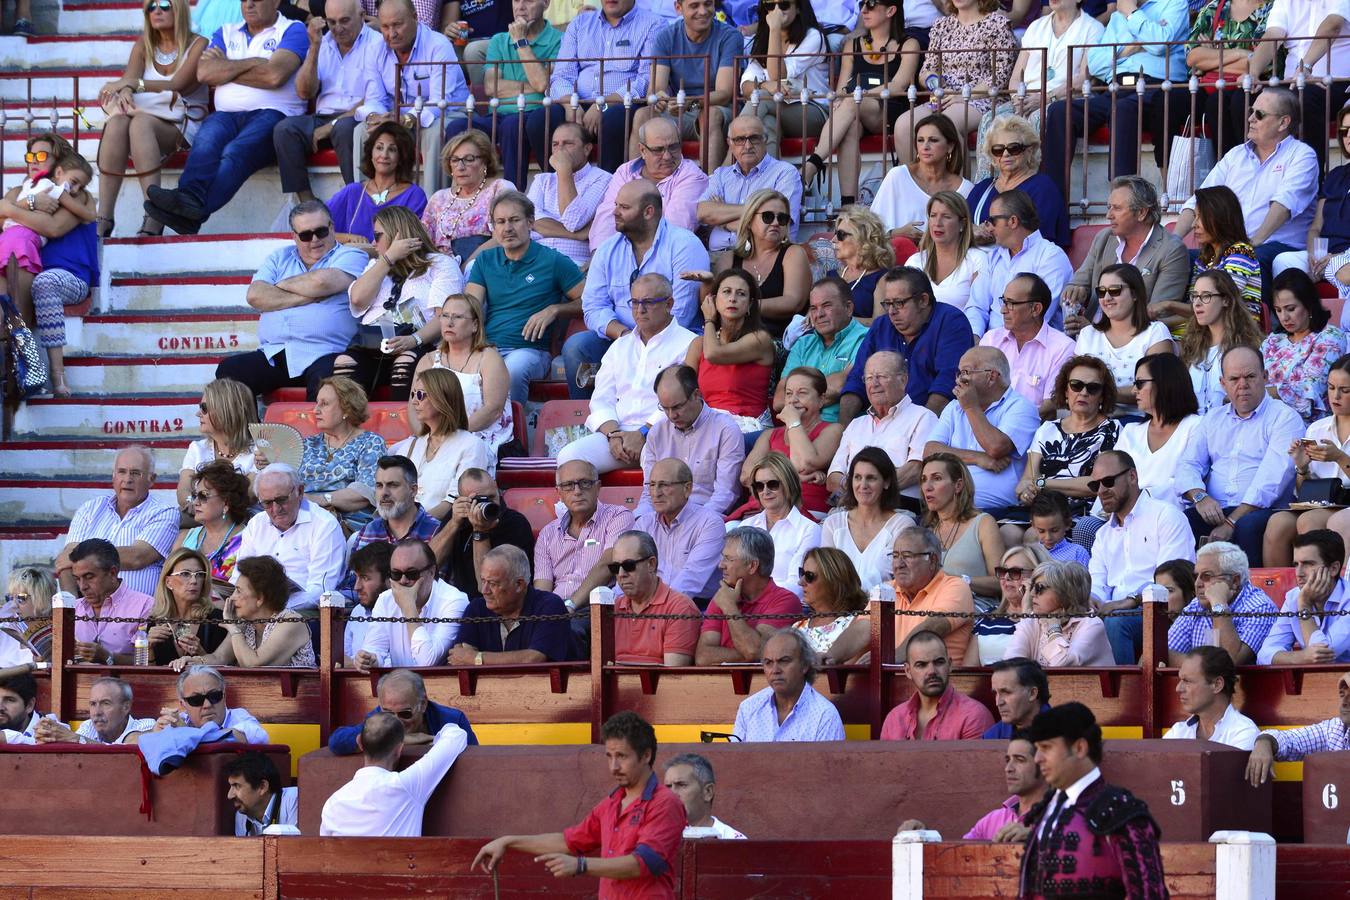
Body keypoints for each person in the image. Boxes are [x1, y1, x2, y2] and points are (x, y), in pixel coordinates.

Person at [473, 712, 685, 894]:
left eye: (621, 756)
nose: (613, 767)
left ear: (646, 755)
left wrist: (581, 865)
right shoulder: (611, 804)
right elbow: (569, 842)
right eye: (609, 756)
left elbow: (644, 863)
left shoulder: (665, 803)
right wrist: (508, 841)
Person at [142, 0, 305, 234]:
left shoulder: (293, 29)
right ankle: (188, 202)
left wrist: (225, 69)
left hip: (274, 114)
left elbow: (274, 75)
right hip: (226, 114)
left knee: (234, 152)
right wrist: (252, 62)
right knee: (207, 140)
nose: (248, 4)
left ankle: (191, 212)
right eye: (243, 0)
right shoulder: (226, 31)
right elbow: (204, 72)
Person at [215, 200, 370, 400]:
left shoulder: (351, 254)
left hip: (326, 352)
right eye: (305, 235)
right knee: (229, 371)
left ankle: (319, 433)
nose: (314, 239)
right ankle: (248, 432)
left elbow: (322, 282)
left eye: (321, 231)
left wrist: (277, 286)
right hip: (276, 354)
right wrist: (309, 297)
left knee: (329, 379)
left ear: (332, 228)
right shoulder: (279, 257)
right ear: (294, 237)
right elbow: (255, 295)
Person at [1175, 87, 1319, 302]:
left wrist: (1252, 243)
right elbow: (1200, 199)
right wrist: (1173, 242)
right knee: (1178, 259)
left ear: (1283, 122)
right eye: (1251, 111)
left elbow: (1284, 204)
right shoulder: (1236, 155)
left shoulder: (1302, 155)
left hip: (1275, 245)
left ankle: (1251, 328)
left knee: (1251, 259)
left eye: (1259, 114)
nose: (1251, 118)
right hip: (1232, 247)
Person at [572, 182, 709, 397]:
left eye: (624, 207)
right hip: (619, 337)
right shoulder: (607, 249)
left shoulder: (684, 245)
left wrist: (642, 344)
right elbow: (592, 306)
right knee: (577, 347)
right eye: (616, 205)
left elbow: (681, 312)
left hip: (671, 339)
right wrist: (626, 336)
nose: (615, 212)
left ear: (648, 212)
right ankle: (594, 419)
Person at [1019, 703, 1168, 898]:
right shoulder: (1046, 808)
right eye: (1037, 748)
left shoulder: (1119, 810)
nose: (1037, 758)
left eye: (1046, 747)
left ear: (1080, 748)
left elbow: (1149, 895)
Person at [558, 275, 697, 474]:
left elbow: (683, 402)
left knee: (667, 467)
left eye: (648, 302)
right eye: (635, 302)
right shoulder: (619, 346)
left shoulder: (688, 343)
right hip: (618, 433)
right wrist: (614, 435)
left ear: (669, 304)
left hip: (668, 434)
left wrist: (643, 433)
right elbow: (601, 400)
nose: (640, 310)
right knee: (569, 458)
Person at [1178, 346, 1304, 563]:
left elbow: (1272, 481)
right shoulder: (1212, 419)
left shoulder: (1284, 417)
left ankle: (1253, 595)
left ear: (1265, 377)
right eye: (1234, 379)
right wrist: (1200, 497)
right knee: (1181, 520)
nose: (1242, 385)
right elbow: (1187, 464)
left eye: (1250, 376)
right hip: (1215, 509)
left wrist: (1231, 522)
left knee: (1247, 526)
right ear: (1222, 383)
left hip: (1263, 511)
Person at [1039, 0, 1188, 183]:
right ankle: (1053, 201)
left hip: (1156, 88)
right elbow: (1095, 64)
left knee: (1123, 109)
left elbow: (1158, 44)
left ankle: (1122, 199)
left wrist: (1132, 14)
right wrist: (1130, 48)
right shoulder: (1118, 16)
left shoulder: (1173, 4)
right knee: (1060, 111)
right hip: (1117, 88)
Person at [94, 0, 208, 238]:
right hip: (148, 117)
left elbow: (179, 84)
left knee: (140, 122)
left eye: (165, 4)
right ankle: (104, 217)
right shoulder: (143, 45)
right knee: (117, 122)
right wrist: (125, 91)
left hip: (183, 120)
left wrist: (133, 84)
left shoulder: (199, 44)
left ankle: (154, 214)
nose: (157, 10)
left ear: (179, 9)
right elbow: (129, 81)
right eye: (151, 6)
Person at [465, 190, 585, 404]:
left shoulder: (553, 261)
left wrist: (555, 309)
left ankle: (511, 433)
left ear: (530, 222)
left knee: (512, 371)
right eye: (500, 222)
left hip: (530, 351)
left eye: (514, 220)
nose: (507, 228)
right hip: (489, 347)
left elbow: (590, 302)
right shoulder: (485, 260)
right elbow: (469, 308)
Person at [799, 0, 919, 203]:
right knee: (850, 126)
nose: (863, 9)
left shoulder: (909, 44)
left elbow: (898, 86)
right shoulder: (852, 45)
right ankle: (848, 204)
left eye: (871, 4)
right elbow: (840, 91)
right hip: (857, 111)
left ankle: (813, 163)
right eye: (862, 3)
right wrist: (851, 96)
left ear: (890, 10)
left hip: (891, 111)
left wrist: (858, 94)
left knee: (851, 101)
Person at [336, 206, 463, 398]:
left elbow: (445, 316)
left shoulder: (440, 264)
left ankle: (402, 426)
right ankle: (350, 427)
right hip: (372, 344)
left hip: (419, 343)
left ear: (398, 235)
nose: (373, 243)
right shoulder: (376, 265)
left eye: (378, 236)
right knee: (344, 362)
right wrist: (388, 259)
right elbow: (358, 299)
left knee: (405, 362)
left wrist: (414, 340)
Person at [972, 0, 1103, 180]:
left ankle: (1027, 187)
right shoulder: (1036, 26)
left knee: (1036, 119)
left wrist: (1046, 97)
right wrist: (1017, 98)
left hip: (1063, 98)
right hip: (1026, 98)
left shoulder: (1092, 28)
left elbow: (1084, 79)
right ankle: (987, 186)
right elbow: (1016, 77)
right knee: (990, 119)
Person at [1087, 450, 1197, 664]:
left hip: (1161, 611)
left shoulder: (1166, 516)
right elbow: (1097, 581)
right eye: (1095, 485)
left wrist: (1129, 601)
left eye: (1108, 481)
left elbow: (1173, 583)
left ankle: (1125, 694)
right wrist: (1092, 600)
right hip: (1116, 611)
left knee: (1116, 622)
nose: (1101, 491)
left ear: (1132, 477)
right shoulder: (1103, 534)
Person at [527, 0, 662, 173]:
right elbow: (561, 75)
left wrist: (602, 105)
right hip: (578, 103)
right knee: (539, 120)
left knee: (615, 118)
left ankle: (610, 188)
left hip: (621, 103)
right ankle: (557, 184)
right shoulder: (580, 23)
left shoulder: (653, 24)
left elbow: (645, 80)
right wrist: (570, 104)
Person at [272, 0, 382, 202]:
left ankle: (359, 200)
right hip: (323, 116)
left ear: (362, 15)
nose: (338, 29)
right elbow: (304, 92)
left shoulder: (377, 43)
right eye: (331, 22)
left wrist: (331, 126)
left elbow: (374, 99)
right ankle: (307, 202)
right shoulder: (323, 42)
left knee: (344, 128)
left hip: (359, 117)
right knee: (284, 129)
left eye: (344, 21)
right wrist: (314, 47)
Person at [358, 0, 467, 197]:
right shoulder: (375, 49)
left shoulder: (438, 45)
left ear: (415, 18)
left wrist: (406, 119)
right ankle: (366, 201)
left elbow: (439, 102)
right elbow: (374, 98)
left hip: (449, 112)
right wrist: (376, 117)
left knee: (434, 132)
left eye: (398, 24)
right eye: (385, 26)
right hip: (399, 115)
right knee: (362, 130)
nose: (391, 33)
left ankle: (432, 205)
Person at [889, 0, 1016, 168]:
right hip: (944, 96)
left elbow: (1000, 77)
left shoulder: (997, 24)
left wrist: (962, 95)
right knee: (904, 124)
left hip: (980, 97)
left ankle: (957, 191)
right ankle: (918, 186)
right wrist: (936, 85)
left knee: (945, 124)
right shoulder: (941, 25)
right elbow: (926, 71)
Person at [447, 0, 560, 189]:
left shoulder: (559, 40)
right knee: (457, 126)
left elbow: (542, 83)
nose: (520, 7)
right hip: (498, 116)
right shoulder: (499, 40)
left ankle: (513, 193)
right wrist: (535, 83)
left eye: (529, 1)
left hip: (535, 116)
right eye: (516, 0)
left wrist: (520, 42)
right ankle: (460, 194)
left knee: (512, 124)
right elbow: (491, 86)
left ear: (546, 3)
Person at [839, 266, 975, 422]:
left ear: (923, 300)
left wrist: (917, 426)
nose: (891, 311)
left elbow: (947, 384)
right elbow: (857, 378)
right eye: (888, 304)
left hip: (930, 424)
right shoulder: (881, 326)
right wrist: (844, 428)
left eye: (898, 303)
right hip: (878, 422)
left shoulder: (951, 322)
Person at [1061, 176, 1192, 336]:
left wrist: (1097, 331)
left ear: (1142, 213)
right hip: (1086, 336)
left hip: (1137, 343)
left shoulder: (1171, 250)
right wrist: (1076, 292)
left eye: (1116, 208)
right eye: (1109, 207)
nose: (1109, 215)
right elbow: (1077, 283)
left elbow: (1156, 316)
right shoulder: (1104, 238)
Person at [1012, 356, 1119, 542]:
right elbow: (1027, 478)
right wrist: (1025, 491)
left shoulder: (1111, 430)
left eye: (1092, 388)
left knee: (1032, 536)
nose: (1083, 392)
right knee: (1007, 532)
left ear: (1102, 396)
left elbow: (1097, 484)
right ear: (1066, 391)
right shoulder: (1048, 429)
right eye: (1076, 385)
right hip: (1040, 511)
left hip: (1078, 515)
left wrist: (1042, 484)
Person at [924, 347, 1040, 513]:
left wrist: (971, 407)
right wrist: (978, 458)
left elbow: (996, 447)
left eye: (966, 372)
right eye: (959, 373)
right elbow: (929, 451)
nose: (959, 380)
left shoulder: (1021, 407)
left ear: (991, 376)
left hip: (998, 512)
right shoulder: (954, 407)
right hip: (948, 509)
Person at [55, 446, 179, 596]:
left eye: (135, 473)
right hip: (86, 611)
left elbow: (137, 557)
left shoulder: (164, 513)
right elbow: (65, 562)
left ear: (151, 479)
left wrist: (81, 559)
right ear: (113, 477)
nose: (127, 479)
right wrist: (73, 611)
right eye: (122, 472)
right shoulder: (90, 509)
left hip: (139, 614)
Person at [320, 711, 470, 836]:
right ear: (399, 749)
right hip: (402, 869)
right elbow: (456, 735)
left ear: (360, 743)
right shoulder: (406, 785)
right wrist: (430, 738)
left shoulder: (333, 802)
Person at [1245, 0, 1350, 175]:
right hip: (1292, 84)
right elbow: (1273, 35)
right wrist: (1253, 73)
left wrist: (1306, 67)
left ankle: (1310, 181)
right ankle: (1247, 180)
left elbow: (1333, 25)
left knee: (1305, 98)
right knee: (1244, 97)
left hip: (1334, 82)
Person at [1268, 357, 1350, 565]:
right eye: (1331, 388)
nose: (1336, 396)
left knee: (1309, 520)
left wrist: (1340, 458)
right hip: (1322, 501)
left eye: (1345, 390)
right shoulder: (1317, 428)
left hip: (1344, 503)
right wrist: (1302, 467)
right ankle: (1279, 593)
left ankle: (1321, 588)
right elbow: (1304, 490)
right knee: (1278, 523)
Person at [827, 352, 936, 508]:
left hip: (898, 507)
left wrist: (866, 493)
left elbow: (915, 470)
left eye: (882, 376)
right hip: (852, 508)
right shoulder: (856, 424)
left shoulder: (923, 417)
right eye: (869, 378)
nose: (874, 384)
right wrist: (861, 494)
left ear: (903, 380)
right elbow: (833, 478)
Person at [1171, 0, 1275, 162]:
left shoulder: (1272, 9)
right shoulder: (1214, 8)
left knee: (1228, 102)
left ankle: (1249, 166)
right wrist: (1240, 54)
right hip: (1213, 85)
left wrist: (1213, 57)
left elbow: (1264, 63)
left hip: (1257, 84)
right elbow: (1193, 58)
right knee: (1169, 100)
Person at [234, 463, 346, 611]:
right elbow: (239, 576)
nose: (276, 509)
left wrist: (271, 609)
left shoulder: (324, 525)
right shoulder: (256, 523)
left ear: (300, 491)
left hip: (301, 613)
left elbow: (320, 591)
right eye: (267, 503)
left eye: (281, 500)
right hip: (257, 608)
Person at [413, 293, 514, 456]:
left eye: (458, 317)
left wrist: (451, 434)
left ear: (475, 325)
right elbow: (414, 406)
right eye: (445, 316)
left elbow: (493, 409)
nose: (449, 322)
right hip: (435, 440)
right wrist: (427, 437)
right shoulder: (428, 361)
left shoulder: (489, 358)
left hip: (483, 442)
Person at [636, 365, 745, 516]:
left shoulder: (725, 430)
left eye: (677, 407)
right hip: (663, 518)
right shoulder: (657, 433)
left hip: (706, 517)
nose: (672, 415)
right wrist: (640, 518)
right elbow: (649, 492)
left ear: (696, 395)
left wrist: (692, 523)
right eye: (665, 408)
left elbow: (725, 494)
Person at [589, 116, 708, 253]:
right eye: (658, 150)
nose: (667, 156)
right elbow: (607, 217)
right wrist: (600, 255)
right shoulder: (625, 172)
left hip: (665, 257)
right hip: (621, 254)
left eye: (674, 147)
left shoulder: (692, 176)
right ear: (642, 150)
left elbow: (675, 229)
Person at [173, 555, 315, 669]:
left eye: (239, 591)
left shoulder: (290, 622)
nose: (232, 597)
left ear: (260, 598)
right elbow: (219, 658)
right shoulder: (245, 622)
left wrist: (234, 629)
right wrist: (192, 661)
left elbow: (254, 665)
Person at [704, 192, 811, 340]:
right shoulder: (729, 259)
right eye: (767, 217)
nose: (775, 223)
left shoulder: (793, 253)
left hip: (775, 339)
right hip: (733, 336)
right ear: (749, 220)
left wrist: (747, 306)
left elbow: (793, 302)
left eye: (782, 219)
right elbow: (712, 304)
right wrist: (707, 282)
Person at [534, 461, 635, 617]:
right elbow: (542, 585)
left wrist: (570, 606)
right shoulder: (548, 533)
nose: (577, 491)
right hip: (555, 611)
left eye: (585, 483)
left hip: (595, 609)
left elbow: (607, 565)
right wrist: (544, 615)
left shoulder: (618, 516)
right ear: (559, 492)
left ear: (598, 487)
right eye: (568, 485)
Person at [966, 190, 1073, 336]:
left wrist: (995, 345)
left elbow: (1036, 318)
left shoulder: (1051, 257)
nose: (988, 227)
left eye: (992, 221)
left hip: (1034, 347)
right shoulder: (993, 256)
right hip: (989, 346)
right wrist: (975, 337)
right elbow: (976, 306)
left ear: (1013, 221)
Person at [289, 375, 387, 529]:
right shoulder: (307, 444)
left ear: (346, 408)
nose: (315, 410)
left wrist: (317, 500)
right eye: (316, 403)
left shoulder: (370, 443)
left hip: (348, 524)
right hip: (301, 519)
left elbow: (365, 493)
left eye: (324, 404)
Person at [743, 368, 842, 518]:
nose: (793, 400)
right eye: (788, 393)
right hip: (761, 510)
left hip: (808, 512)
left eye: (802, 393)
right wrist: (797, 477)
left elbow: (805, 463)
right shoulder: (770, 434)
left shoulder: (833, 430)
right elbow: (746, 475)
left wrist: (793, 421)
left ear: (821, 400)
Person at [355, 539, 467, 670]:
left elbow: (427, 661)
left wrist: (408, 608)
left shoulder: (454, 601)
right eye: (396, 574)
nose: (403, 581)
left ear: (431, 572)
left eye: (411, 574)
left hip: (443, 687)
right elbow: (374, 648)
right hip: (399, 685)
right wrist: (369, 659)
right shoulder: (385, 600)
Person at [695, 526, 801, 664]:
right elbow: (703, 657)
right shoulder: (723, 596)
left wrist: (729, 608)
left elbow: (753, 651)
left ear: (752, 566)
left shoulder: (785, 601)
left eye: (728, 559)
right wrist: (748, 655)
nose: (721, 565)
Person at [1074, 263, 1174, 409]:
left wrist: (1100, 392)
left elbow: (1157, 387)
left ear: (1134, 294)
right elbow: (1076, 381)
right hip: (1092, 419)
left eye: (1115, 290)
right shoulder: (1088, 334)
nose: (1107, 298)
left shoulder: (1155, 332)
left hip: (1138, 421)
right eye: (1101, 292)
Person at [393, 369, 492, 517]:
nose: (414, 401)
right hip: (403, 528)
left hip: (439, 530)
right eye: (413, 394)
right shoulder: (408, 446)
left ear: (442, 398)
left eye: (420, 395)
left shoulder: (471, 444)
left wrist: (416, 526)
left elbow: (456, 502)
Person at [738, 0, 830, 160]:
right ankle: (772, 182)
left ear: (799, 8)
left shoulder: (813, 36)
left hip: (813, 110)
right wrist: (765, 84)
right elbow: (745, 86)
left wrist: (774, 29)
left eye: (784, 5)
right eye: (770, 6)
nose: (777, 11)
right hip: (778, 111)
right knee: (767, 125)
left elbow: (779, 76)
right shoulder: (762, 41)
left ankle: (728, 161)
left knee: (760, 97)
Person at [449, 545, 572, 663]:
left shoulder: (550, 606)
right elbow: (461, 656)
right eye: (483, 581)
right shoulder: (476, 608)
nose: (484, 590)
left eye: (493, 584)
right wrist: (470, 658)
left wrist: (477, 658)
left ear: (519, 585)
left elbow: (534, 659)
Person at [699, 114, 802, 253]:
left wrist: (722, 221)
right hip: (716, 256)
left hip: (761, 257)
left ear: (765, 139)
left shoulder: (784, 173)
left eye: (754, 138)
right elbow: (703, 212)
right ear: (730, 143)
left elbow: (776, 225)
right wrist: (756, 211)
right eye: (740, 139)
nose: (747, 146)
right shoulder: (720, 175)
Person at [965, 114, 1069, 249]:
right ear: (992, 156)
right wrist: (970, 230)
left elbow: (1037, 238)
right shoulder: (982, 188)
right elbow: (958, 225)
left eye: (1014, 148)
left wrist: (990, 234)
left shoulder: (1043, 188)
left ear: (1029, 151)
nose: (1005, 154)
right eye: (998, 150)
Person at [1168, 540, 1278, 666]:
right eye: (1196, 576)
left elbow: (1230, 660)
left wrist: (1218, 603)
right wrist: (1205, 665)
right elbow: (1161, 654)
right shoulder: (1196, 605)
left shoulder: (1260, 607)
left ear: (1235, 581)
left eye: (1207, 576)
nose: (1197, 583)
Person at [978, 274, 1074, 417]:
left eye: (1011, 303)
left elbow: (1049, 407)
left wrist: (1010, 425)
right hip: (983, 425)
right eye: (1003, 301)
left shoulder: (1063, 348)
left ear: (1035, 309)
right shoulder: (991, 339)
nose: (1003, 310)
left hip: (1029, 432)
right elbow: (974, 390)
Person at [634, 458, 728, 602]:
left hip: (694, 606)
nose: (656, 493)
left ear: (687, 489)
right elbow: (632, 573)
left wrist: (657, 609)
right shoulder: (644, 524)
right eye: (652, 485)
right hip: (649, 603)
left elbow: (690, 580)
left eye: (664, 485)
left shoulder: (710, 523)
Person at [1115, 353, 1203, 505]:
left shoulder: (1196, 426)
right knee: (1086, 526)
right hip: (1124, 517)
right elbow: (1113, 477)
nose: (1133, 391)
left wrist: (1138, 499)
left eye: (1140, 383)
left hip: (1171, 517)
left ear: (1165, 383)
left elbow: (1187, 480)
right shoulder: (1130, 431)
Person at [777, 278, 868, 423]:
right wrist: (828, 386)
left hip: (839, 430)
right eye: (813, 308)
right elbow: (779, 399)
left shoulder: (865, 339)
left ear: (848, 308)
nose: (818, 314)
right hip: (797, 430)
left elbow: (841, 385)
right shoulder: (803, 344)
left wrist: (796, 394)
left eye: (826, 306)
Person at [431, 468, 535, 597]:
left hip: (495, 605)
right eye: (479, 500)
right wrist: (454, 523)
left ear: (496, 487)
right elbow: (428, 565)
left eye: (491, 497)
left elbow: (486, 587)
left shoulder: (515, 523)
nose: (487, 504)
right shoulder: (458, 517)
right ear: (462, 500)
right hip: (458, 600)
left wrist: (480, 531)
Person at [871, 115, 971, 246]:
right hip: (897, 259)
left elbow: (969, 236)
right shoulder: (897, 176)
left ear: (950, 146)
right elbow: (869, 231)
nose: (925, 146)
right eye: (920, 140)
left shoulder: (966, 189)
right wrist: (898, 233)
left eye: (933, 140)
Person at [919, 452, 1005, 603]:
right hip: (930, 608)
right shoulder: (925, 531)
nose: (927, 487)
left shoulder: (983, 523)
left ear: (958, 485)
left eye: (937, 478)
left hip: (973, 611)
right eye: (924, 480)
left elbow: (1001, 582)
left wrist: (959, 581)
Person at [731, 628, 845, 742]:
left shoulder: (824, 715)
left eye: (784, 661)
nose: (775, 670)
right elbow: (733, 758)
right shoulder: (749, 708)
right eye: (768, 663)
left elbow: (828, 760)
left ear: (804, 665)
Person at [1263, 269, 1347, 423]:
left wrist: (1257, 393)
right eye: (1278, 310)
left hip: (1309, 428)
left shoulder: (1330, 337)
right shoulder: (1272, 341)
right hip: (1265, 421)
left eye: (1290, 309)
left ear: (1308, 304)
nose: (1284, 317)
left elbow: (1310, 392)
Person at [329, 668, 477, 753]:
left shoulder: (452, 720)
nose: (396, 722)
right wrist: (396, 738)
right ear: (381, 706)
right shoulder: (378, 717)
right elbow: (336, 741)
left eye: (405, 713)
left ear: (423, 704)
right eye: (388, 714)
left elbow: (475, 760)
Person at [422, 129, 516, 263]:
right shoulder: (439, 198)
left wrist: (465, 267)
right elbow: (424, 240)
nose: (460, 167)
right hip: (441, 268)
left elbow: (502, 237)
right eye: (455, 160)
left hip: (483, 265)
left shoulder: (500, 189)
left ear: (485, 162)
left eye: (469, 159)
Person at [881, 630, 994, 739]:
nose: (932, 671)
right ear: (908, 671)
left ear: (949, 665)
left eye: (939, 662)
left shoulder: (973, 715)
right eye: (921, 665)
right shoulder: (894, 718)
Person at [1258, 530, 1350, 664]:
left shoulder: (1302, 599)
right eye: (1296, 564)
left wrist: (1304, 605)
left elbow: (1322, 658)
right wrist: (1301, 657)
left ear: (1333, 569)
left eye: (1308, 564)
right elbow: (1265, 655)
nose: (1299, 573)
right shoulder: (1294, 597)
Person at [526, 122, 609, 269]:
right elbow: (528, 220)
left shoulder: (603, 179)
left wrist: (564, 171)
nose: (560, 150)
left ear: (587, 149)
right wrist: (577, 235)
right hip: (535, 258)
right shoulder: (542, 180)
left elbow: (574, 222)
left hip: (574, 262)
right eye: (555, 144)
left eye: (568, 144)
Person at [327, 123, 428, 245]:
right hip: (352, 260)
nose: (384, 155)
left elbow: (414, 241)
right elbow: (315, 229)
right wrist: (348, 238)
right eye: (379, 148)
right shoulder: (352, 192)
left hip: (394, 263)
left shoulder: (414, 195)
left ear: (401, 157)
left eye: (392, 149)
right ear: (371, 154)